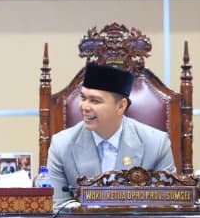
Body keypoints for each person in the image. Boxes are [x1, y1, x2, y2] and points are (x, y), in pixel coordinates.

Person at [47, 63, 175, 208]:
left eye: (95, 101)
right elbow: (57, 206)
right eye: (83, 98)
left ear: (120, 106)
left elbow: (167, 204)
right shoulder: (61, 145)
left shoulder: (157, 144)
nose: (84, 107)